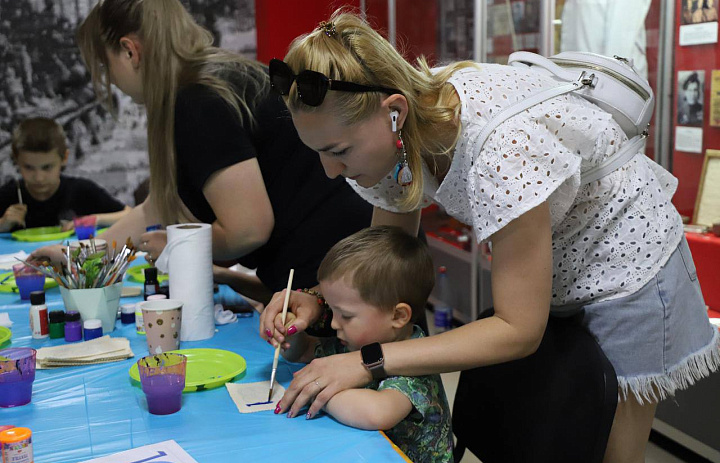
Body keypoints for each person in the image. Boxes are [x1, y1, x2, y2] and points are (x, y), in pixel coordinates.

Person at [261, 12, 720, 463]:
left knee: (611, 451)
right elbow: (382, 275)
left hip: (625, 256)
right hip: (558, 253)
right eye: (318, 152)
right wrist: (318, 302)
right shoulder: (392, 132)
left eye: (338, 151)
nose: (330, 171)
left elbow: (519, 330)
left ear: (395, 113)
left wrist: (370, 360)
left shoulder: (501, 149)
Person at [31, 0, 372, 303]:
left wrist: (179, 246)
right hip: (340, 259)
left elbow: (247, 230)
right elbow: (159, 205)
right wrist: (83, 254)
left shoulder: (197, 101)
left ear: (130, 51)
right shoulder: (210, 78)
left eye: (106, 67)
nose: (112, 81)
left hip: (344, 275)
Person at [276, 226, 452, 463]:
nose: (334, 324)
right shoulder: (357, 341)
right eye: (331, 309)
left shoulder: (414, 363)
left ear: (398, 316)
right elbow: (305, 351)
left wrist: (316, 389)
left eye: (346, 316)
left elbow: (376, 413)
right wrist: (292, 333)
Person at [0, 117, 130, 232]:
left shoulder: (81, 191)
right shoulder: (8, 195)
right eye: (28, 168)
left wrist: (95, 219)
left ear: (64, 158)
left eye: (47, 167)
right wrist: (2, 225)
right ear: (16, 161)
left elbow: (130, 214)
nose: (39, 178)